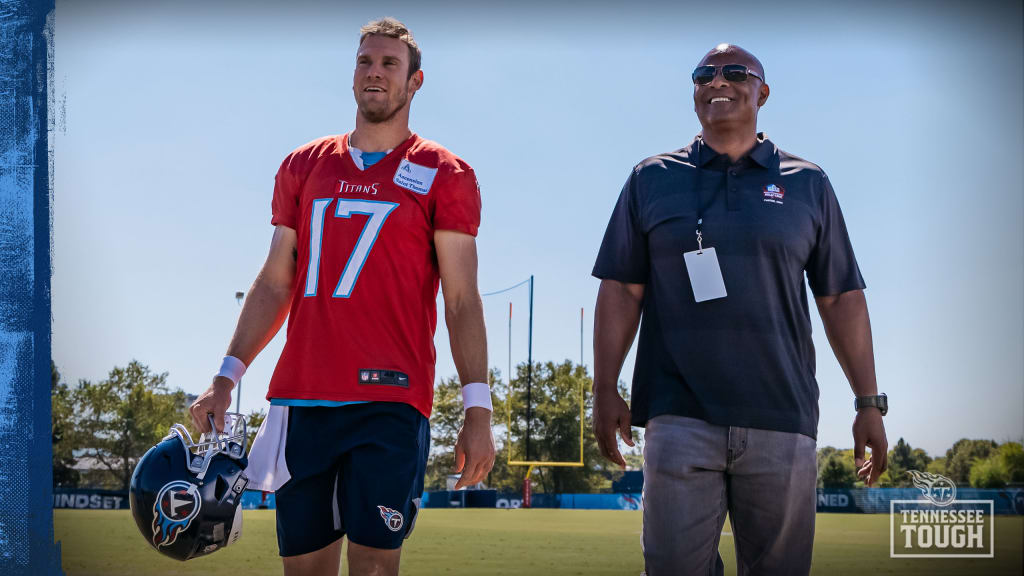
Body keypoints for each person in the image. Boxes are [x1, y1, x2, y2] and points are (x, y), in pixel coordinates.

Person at [188, 18, 495, 576]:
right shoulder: (304, 165)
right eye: (365, 62)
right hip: (304, 399)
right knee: (304, 569)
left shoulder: (445, 173)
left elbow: (462, 301)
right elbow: (275, 281)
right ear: (353, 73)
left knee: (376, 566)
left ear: (415, 82)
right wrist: (224, 378)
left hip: (390, 401)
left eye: (389, 64)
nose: (375, 73)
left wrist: (479, 408)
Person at [591, 44, 888, 575]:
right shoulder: (651, 177)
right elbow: (620, 290)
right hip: (678, 416)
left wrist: (868, 401)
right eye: (704, 74)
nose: (717, 81)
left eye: (734, 73)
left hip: (782, 419)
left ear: (763, 92)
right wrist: (604, 386)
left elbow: (841, 298)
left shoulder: (809, 184)